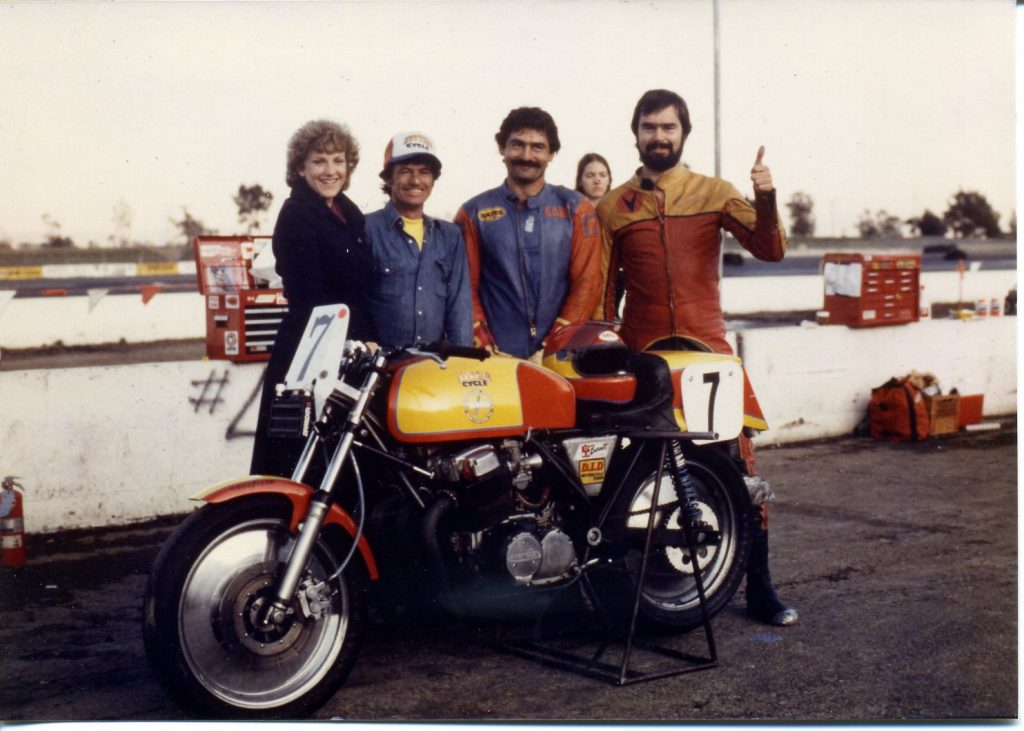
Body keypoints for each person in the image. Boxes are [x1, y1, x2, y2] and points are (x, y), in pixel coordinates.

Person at [596, 89, 797, 626]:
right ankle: (638, 592)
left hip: (708, 353)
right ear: (634, 132)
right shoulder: (612, 205)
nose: (658, 136)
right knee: (630, 473)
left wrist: (768, 195)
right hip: (644, 359)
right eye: (649, 127)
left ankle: (760, 588)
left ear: (684, 133)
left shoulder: (714, 192)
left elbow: (771, 248)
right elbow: (600, 295)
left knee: (739, 470)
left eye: (668, 127)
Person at [251, 119, 377, 478]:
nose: (330, 170)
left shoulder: (347, 213)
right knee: (297, 460)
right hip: (311, 349)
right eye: (319, 161)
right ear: (301, 167)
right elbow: (310, 297)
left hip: (348, 349)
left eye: (338, 160)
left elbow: (359, 290)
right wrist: (352, 341)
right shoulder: (297, 213)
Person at [455, 107, 602, 360]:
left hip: (559, 357)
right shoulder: (473, 213)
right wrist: (485, 347)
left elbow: (587, 284)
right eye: (517, 145)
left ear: (552, 153)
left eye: (537, 147)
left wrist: (551, 348)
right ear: (502, 148)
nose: (526, 155)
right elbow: (464, 288)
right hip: (496, 359)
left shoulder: (577, 208)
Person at [364, 131, 472, 348]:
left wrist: (463, 361)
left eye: (424, 172)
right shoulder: (366, 228)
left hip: (433, 367)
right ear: (388, 178)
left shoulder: (449, 236)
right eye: (405, 171)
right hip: (380, 367)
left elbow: (459, 307)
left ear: (433, 180)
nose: (415, 181)